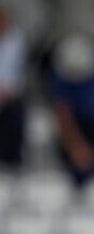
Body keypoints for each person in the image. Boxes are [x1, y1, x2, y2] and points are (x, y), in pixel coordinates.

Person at [44, 32, 94, 191]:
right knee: (77, 178)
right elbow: (63, 112)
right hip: (74, 127)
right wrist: (75, 145)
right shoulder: (61, 74)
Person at [0, 4, 27, 172]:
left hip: (12, 95)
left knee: (13, 130)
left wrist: (8, 89)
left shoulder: (18, 40)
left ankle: (13, 166)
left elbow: (19, 68)